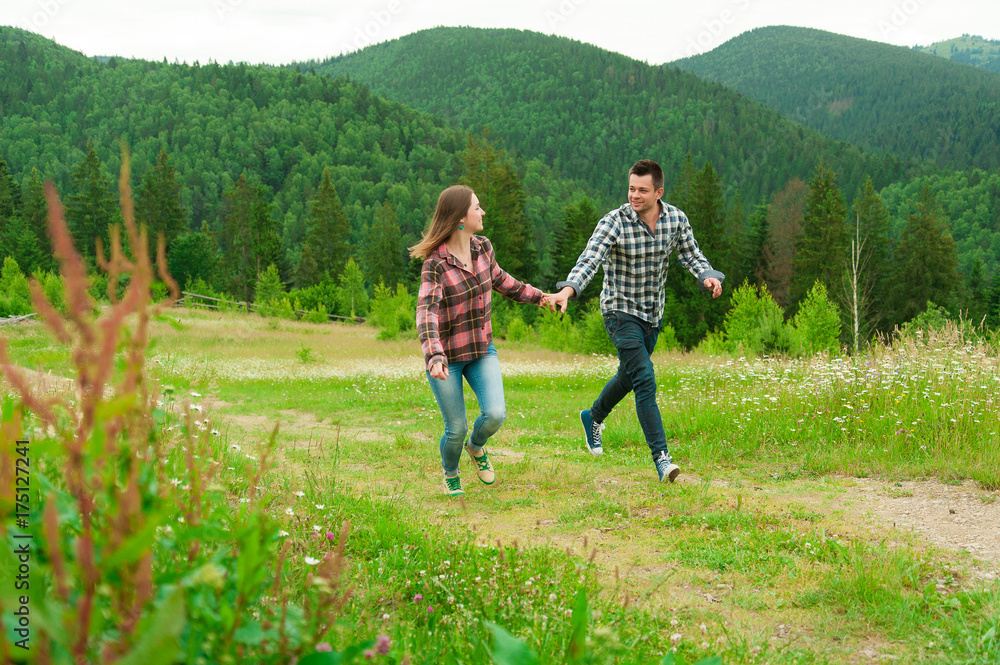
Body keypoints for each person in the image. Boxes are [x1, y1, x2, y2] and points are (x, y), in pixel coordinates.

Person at [550, 159, 724, 483]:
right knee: (645, 379)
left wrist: (707, 276)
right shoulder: (613, 222)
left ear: (659, 192)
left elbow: (691, 254)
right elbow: (590, 259)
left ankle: (593, 416)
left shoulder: (676, 220)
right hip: (619, 311)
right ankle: (662, 459)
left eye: (642, 190)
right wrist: (569, 290)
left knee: (629, 377)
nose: (635, 195)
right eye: (631, 188)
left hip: (652, 315)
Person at [412, 185, 558, 496]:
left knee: (495, 414)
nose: (483, 212)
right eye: (477, 207)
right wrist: (434, 355)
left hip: (481, 350)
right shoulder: (435, 264)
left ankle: (476, 447)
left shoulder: (483, 247)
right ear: (460, 218)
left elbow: (503, 281)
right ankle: (450, 472)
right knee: (456, 428)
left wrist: (540, 297)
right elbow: (427, 312)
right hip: (446, 359)